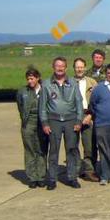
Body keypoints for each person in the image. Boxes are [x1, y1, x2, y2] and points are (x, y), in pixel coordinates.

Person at [39, 57, 84, 190]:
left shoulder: (73, 83)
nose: (60, 68)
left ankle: (72, 177)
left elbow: (79, 103)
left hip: (71, 121)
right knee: (53, 150)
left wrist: (79, 120)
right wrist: (44, 123)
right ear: (53, 67)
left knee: (72, 149)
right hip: (54, 121)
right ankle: (52, 179)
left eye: (62, 66)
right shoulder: (46, 84)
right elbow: (42, 106)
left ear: (66, 67)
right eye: (57, 66)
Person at [16, 67, 48, 188]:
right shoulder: (22, 92)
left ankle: (41, 176)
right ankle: (32, 177)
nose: (30, 81)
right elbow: (20, 106)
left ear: (37, 78)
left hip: (42, 122)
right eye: (28, 79)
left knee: (41, 149)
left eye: (32, 78)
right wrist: (25, 119)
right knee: (30, 150)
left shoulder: (45, 90)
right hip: (28, 122)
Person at [73, 58, 99, 182]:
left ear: (85, 68)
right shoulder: (68, 82)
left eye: (81, 67)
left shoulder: (92, 82)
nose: (79, 69)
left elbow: (98, 100)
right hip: (73, 116)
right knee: (72, 145)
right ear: (74, 68)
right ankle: (75, 170)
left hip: (88, 114)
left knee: (90, 145)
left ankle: (89, 170)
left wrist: (91, 115)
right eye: (77, 67)